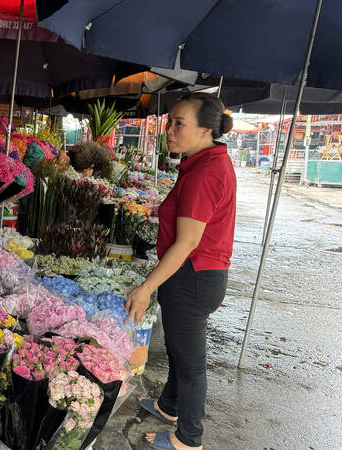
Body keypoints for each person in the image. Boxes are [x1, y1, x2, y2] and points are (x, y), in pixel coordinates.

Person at [124, 92, 237, 450]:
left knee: (190, 364)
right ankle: (168, 406)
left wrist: (146, 288)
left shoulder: (205, 173)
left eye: (179, 123)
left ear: (206, 130)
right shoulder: (203, 163)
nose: (169, 130)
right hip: (194, 275)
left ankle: (189, 438)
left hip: (193, 276)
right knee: (177, 348)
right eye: (169, 121)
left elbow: (186, 243)